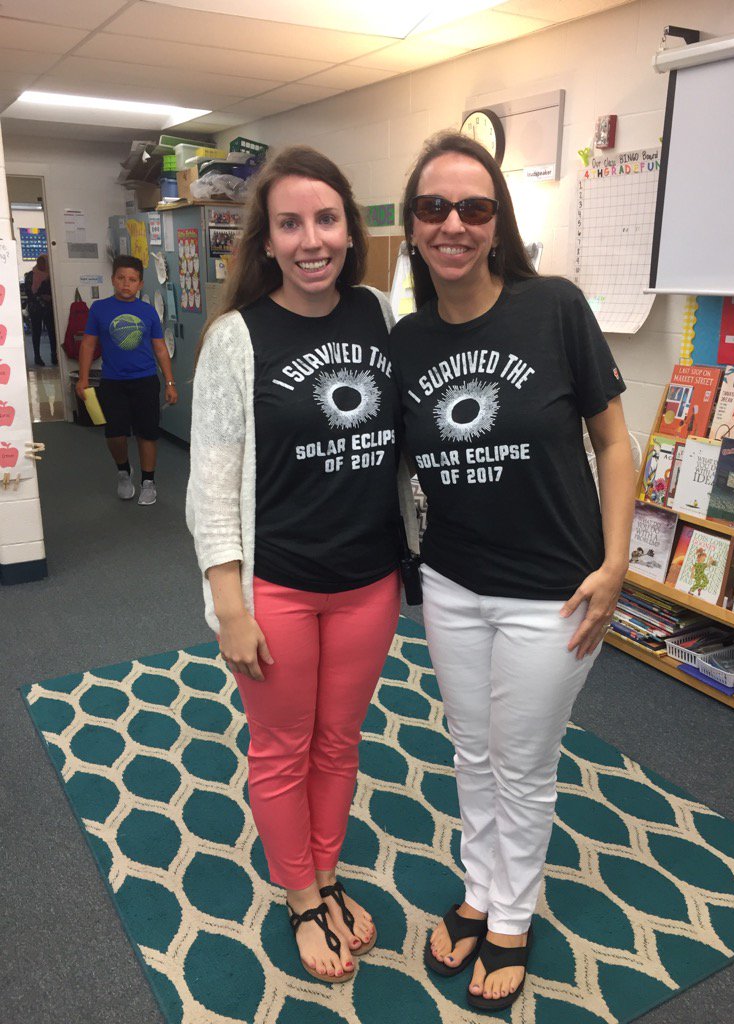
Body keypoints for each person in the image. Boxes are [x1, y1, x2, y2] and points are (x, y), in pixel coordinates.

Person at [389, 132, 635, 1013]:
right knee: (471, 749)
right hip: (453, 583)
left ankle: (511, 915)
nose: (453, 223)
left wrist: (615, 565)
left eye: (474, 208)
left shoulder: (555, 307)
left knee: (523, 761)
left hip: (556, 591)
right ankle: (477, 887)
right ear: (413, 226)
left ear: (497, 225)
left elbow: (613, 441)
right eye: (433, 208)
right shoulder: (408, 340)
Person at [186, 145, 417, 985]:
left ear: (350, 229)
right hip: (277, 588)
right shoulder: (236, 339)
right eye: (291, 224)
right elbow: (210, 481)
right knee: (283, 748)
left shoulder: (380, 315)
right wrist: (229, 605)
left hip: (368, 583)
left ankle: (326, 871)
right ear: (269, 239)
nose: (311, 239)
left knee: (340, 742)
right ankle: (300, 896)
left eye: (326, 219)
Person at [76, 256, 177, 505]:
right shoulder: (99, 309)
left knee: (147, 434)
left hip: (145, 380)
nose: (126, 284)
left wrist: (170, 383)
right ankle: (123, 471)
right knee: (115, 435)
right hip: (113, 382)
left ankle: (148, 482)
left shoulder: (147, 311)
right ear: (113, 279)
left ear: (140, 284)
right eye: (121, 278)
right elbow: (88, 344)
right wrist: (83, 378)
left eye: (132, 280)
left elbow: (160, 349)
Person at [24, 254, 57, 366]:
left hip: (48, 308)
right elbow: (28, 292)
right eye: (39, 263)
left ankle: (54, 355)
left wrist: (50, 297)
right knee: (36, 332)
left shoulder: (51, 275)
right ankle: (37, 356)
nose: (42, 265)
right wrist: (41, 297)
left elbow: (55, 289)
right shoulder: (30, 275)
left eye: (43, 263)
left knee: (52, 332)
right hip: (35, 308)